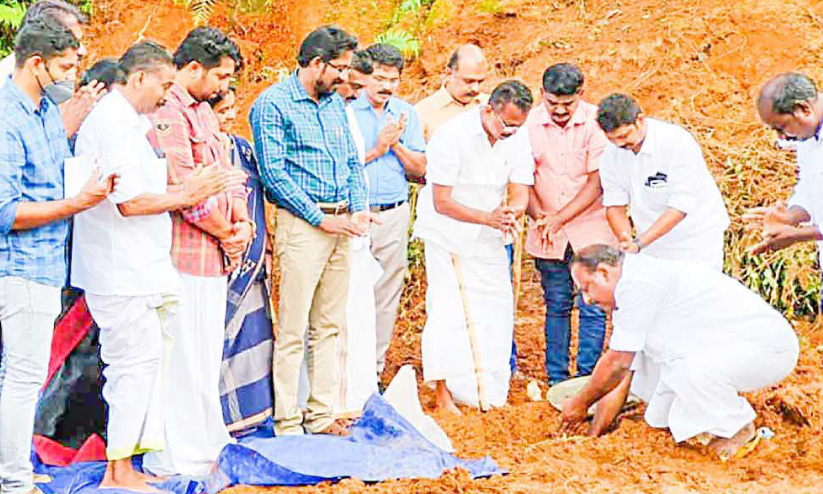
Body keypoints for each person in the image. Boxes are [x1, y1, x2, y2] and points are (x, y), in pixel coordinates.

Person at [72, 41, 243, 491]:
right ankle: (118, 471)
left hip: (138, 268)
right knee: (130, 368)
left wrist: (190, 191)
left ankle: (124, 466)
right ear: (139, 78)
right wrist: (186, 194)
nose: (168, 94)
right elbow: (128, 202)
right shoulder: (113, 123)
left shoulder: (129, 122)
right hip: (119, 269)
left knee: (140, 366)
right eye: (164, 84)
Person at [0, 18, 116, 494]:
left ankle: (14, 469)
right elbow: (6, 211)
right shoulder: (7, 118)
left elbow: (54, 178)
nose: (72, 76)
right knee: (23, 377)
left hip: (48, 263)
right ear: (36, 63)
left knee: (20, 376)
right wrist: (77, 203)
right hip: (20, 265)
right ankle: (13, 480)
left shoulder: (47, 112)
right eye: (65, 67)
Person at [560, 245, 798, 460]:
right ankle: (715, 424)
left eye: (587, 288)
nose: (587, 299)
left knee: (692, 373)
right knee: (659, 414)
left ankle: (737, 428)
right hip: (733, 351)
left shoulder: (638, 285)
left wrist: (580, 403)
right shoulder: (632, 287)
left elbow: (616, 365)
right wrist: (592, 436)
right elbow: (623, 374)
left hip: (768, 349)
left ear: (604, 273)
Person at [250, 25, 372, 436]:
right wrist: (320, 218)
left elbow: (352, 161)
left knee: (329, 325)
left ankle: (321, 415)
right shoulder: (273, 104)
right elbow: (273, 174)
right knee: (292, 328)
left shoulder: (334, 104)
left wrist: (358, 207)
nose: (345, 77)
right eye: (339, 68)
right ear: (317, 63)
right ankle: (287, 420)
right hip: (304, 226)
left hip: (342, 225)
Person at [143, 27, 249, 476]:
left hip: (214, 257)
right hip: (183, 254)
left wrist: (242, 222)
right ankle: (177, 453)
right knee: (181, 356)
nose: (225, 86)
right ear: (192, 68)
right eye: (220, 76)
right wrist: (227, 232)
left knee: (206, 355)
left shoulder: (204, 111)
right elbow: (185, 189)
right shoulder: (167, 110)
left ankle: (207, 441)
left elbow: (227, 173)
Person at [414, 80, 534, 414]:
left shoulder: (518, 136)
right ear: (489, 110)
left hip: (489, 234)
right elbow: (441, 201)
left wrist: (513, 212)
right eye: (506, 125)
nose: (510, 132)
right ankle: (443, 392)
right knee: (448, 312)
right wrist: (488, 218)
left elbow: (520, 189)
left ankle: (488, 392)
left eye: (517, 127)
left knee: (496, 309)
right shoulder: (452, 136)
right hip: (447, 234)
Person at [526, 63, 616, 385]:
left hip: (591, 228)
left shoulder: (596, 123)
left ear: (581, 94)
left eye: (568, 103)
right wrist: (540, 217)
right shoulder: (528, 124)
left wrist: (558, 219)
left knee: (593, 305)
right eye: (553, 103)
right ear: (542, 94)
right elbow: (523, 178)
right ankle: (557, 379)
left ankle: (587, 378)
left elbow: (597, 183)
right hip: (546, 231)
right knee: (557, 304)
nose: (560, 111)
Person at [351, 42, 425, 378]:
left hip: (393, 212)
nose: (386, 86)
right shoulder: (346, 110)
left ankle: (373, 370)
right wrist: (378, 147)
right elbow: (341, 166)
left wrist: (395, 145)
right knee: (350, 291)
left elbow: (421, 169)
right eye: (380, 78)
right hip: (354, 213)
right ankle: (347, 368)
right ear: (364, 76)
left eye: (393, 79)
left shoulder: (406, 113)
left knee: (386, 292)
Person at [208, 87, 276, 435]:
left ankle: (253, 412)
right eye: (223, 110)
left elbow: (257, 198)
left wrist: (265, 245)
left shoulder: (243, 149)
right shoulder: (199, 150)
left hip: (251, 258)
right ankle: (220, 417)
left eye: (233, 109)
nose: (230, 116)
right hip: (215, 256)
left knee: (253, 333)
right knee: (217, 338)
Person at [596, 94, 730, 270]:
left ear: (640, 120)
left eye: (624, 135)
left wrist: (639, 243)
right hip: (649, 244)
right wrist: (625, 239)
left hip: (695, 240)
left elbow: (680, 206)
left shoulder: (676, 142)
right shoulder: (611, 155)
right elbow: (614, 205)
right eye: (612, 139)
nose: (620, 144)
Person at [744, 73, 823, 268]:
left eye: (781, 127)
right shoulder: (807, 136)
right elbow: (810, 188)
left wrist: (798, 235)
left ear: (803, 109)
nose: (781, 138)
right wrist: (788, 217)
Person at [0, 0, 105, 138]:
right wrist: (64, 129)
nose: (82, 51)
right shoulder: (8, 84)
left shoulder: (53, 75)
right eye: (73, 42)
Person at [415, 43, 489, 141]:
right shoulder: (423, 112)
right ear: (448, 74)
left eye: (480, 82)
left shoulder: (491, 106)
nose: (476, 89)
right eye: (468, 81)